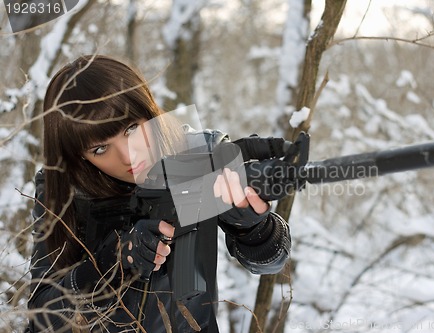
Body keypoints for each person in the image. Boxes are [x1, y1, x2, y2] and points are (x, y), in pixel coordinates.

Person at [25, 54, 291, 333]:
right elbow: (41, 316)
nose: (128, 156)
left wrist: (252, 228)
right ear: (80, 157)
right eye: (100, 149)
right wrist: (111, 263)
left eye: (131, 129)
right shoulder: (66, 191)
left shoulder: (198, 153)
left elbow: (270, 262)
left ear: (149, 112)